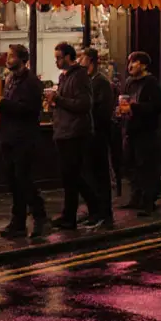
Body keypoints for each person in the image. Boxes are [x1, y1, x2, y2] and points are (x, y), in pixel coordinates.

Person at [48, 42, 108, 229]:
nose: (56, 61)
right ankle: (71, 215)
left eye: (59, 58)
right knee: (69, 177)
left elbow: (84, 104)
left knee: (74, 175)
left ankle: (92, 209)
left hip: (76, 132)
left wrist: (58, 99)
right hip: (63, 131)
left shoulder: (80, 76)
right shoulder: (64, 76)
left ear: (68, 57)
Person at [0, 44, 49, 239]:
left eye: (12, 56)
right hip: (8, 136)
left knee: (23, 179)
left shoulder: (31, 82)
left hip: (24, 138)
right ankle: (17, 222)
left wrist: (4, 103)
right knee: (13, 181)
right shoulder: (10, 79)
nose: (8, 59)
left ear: (22, 59)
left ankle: (40, 216)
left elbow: (30, 110)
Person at [116, 52, 161, 216]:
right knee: (131, 165)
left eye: (134, 62)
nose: (130, 65)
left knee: (146, 166)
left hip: (146, 131)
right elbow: (124, 101)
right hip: (130, 129)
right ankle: (136, 197)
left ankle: (149, 201)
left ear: (143, 65)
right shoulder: (129, 82)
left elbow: (158, 106)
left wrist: (134, 107)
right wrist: (120, 111)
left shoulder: (151, 82)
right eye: (129, 62)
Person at [82, 49, 118, 209]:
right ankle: (95, 209)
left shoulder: (101, 82)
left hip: (98, 133)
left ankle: (104, 209)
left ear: (90, 60)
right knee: (90, 172)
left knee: (100, 172)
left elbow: (103, 110)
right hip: (89, 132)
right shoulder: (89, 80)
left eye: (82, 57)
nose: (79, 61)